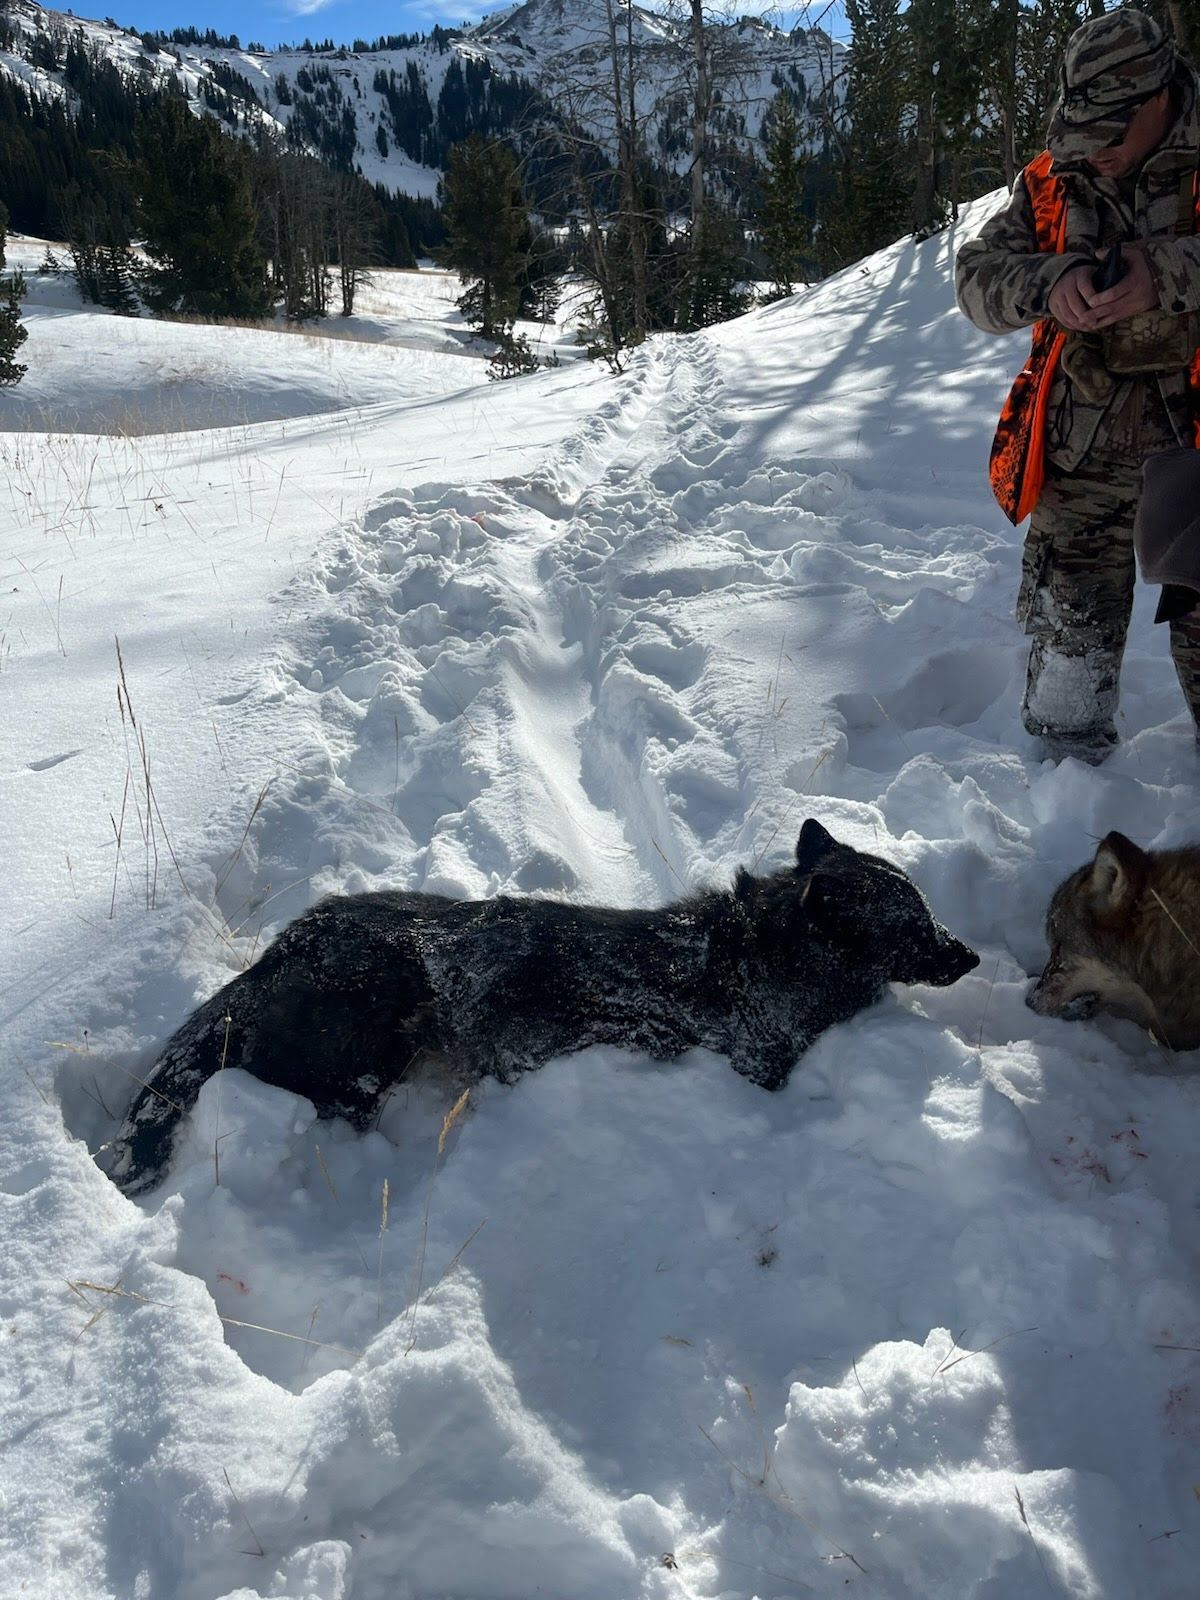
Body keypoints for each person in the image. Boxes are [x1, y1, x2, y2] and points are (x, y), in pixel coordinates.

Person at [956, 7, 1200, 763]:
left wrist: (1168, 274)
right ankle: (1068, 814)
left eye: (1108, 138)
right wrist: (1049, 280)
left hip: (1195, 459)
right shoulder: (1056, 175)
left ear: (1157, 99)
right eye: (1080, 135)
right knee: (1067, 688)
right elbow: (976, 280)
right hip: (1081, 455)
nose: (1091, 156)